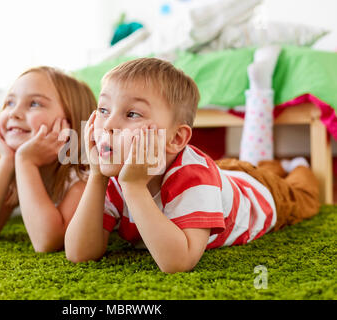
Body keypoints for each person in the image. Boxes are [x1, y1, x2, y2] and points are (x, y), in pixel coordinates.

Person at [64, 57, 320, 273]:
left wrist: (134, 187)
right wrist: (97, 175)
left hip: (260, 193)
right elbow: (79, 253)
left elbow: (178, 262)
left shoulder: (194, 178)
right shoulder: (114, 170)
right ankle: (269, 165)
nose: (107, 125)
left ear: (175, 138)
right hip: (224, 174)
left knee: (302, 192)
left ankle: (297, 165)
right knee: (252, 166)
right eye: (104, 109)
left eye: (132, 114)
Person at [0, 66, 96, 253]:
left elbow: (47, 242)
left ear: (70, 122)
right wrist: (7, 160)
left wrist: (25, 162)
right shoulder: (14, 169)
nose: (14, 113)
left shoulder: (83, 179)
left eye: (34, 104)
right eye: (10, 103)